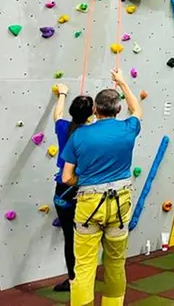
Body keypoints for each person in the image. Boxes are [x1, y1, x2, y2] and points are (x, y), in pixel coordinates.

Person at [61, 69, 142, 305]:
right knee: (115, 263)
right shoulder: (128, 128)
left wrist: (84, 181)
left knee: (84, 265)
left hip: (88, 204)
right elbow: (137, 109)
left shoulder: (79, 135)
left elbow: (67, 177)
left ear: (95, 110)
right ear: (118, 110)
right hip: (120, 204)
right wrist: (123, 83)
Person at [51, 84, 93, 293]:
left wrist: (62, 93)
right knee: (86, 235)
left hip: (63, 189)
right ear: (91, 114)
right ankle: (85, 278)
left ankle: (73, 279)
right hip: (84, 187)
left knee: (70, 236)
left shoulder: (63, 128)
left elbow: (57, 114)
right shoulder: (91, 133)